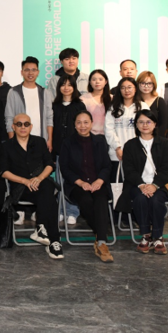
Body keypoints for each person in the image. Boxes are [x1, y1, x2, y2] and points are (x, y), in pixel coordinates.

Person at [0, 113, 63, 259]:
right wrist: (25, 181)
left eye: (26, 124)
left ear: (31, 126)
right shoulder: (6, 146)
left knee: (46, 188)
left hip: (40, 185)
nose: (23, 127)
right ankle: (53, 239)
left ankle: (44, 231)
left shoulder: (39, 142)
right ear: (13, 126)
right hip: (20, 189)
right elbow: (3, 172)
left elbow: (49, 164)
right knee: (49, 198)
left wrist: (39, 178)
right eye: (19, 124)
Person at [59, 111, 114, 262]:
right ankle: (101, 234)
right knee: (86, 201)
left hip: (98, 183)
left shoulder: (100, 141)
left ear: (91, 123)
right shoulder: (68, 143)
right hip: (76, 185)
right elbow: (65, 168)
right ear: (74, 125)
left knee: (101, 200)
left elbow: (107, 166)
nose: (82, 126)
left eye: (86, 122)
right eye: (79, 122)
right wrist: (80, 182)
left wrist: (100, 181)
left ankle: (101, 242)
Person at [119, 110, 168, 255]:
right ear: (136, 125)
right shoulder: (130, 145)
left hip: (159, 185)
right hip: (137, 185)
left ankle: (158, 236)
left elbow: (167, 171)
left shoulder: (164, 143)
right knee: (140, 199)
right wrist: (142, 185)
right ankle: (146, 235)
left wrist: (154, 186)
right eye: (141, 122)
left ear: (155, 124)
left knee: (156, 200)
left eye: (148, 122)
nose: (145, 125)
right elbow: (129, 170)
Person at [104, 77, 149, 172]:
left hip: (138, 153)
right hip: (117, 154)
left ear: (135, 89)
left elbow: (147, 129)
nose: (126, 90)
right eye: (123, 88)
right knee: (118, 180)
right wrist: (117, 148)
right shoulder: (113, 108)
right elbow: (108, 129)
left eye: (129, 87)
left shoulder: (143, 106)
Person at [5, 56, 46, 141]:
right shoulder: (13, 92)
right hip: (19, 139)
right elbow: (9, 117)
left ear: (38, 72)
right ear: (22, 72)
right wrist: (12, 139)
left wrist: (49, 140)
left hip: (40, 138)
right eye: (27, 70)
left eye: (33, 70)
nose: (30, 73)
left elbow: (49, 118)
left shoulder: (45, 92)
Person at [46, 73, 88, 157]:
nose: (66, 88)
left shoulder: (80, 106)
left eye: (69, 85)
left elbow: (84, 126)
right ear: (59, 87)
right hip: (57, 146)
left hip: (76, 146)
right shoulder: (54, 106)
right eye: (63, 85)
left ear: (74, 87)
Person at [45, 47, 89, 112]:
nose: (71, 61)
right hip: (62, 113)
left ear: (77, 60)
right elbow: (51, 100)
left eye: (74, 58)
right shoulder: (55, 80)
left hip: (84, 113)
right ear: (61, 62)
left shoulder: (86, 78)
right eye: (67, 59)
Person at [81, 69, 112, 135]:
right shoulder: (83, 99)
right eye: (94, 79)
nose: (97, 82)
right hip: (89, 136)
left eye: (100, 79)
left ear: (106, 82)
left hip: (109, 136)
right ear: (90, 82)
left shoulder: (112, 99)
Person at [137, 71, 168, 136]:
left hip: (156, 138)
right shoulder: (135, 101)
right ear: (138, 84)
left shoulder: (159, 101)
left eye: (149, 83)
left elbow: (163, 124)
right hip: (137, 138)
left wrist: (154, 139)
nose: (146, 86)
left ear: (154, 85)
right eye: (143, 83)